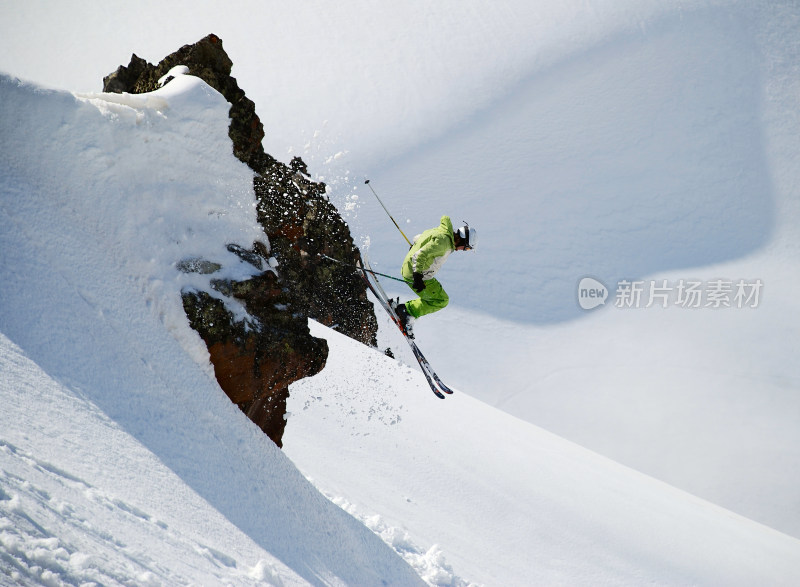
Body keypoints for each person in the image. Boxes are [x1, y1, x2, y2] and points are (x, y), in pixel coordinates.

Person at [390, 215, 477, 338]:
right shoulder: (444, 243)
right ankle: (406, 311)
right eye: (466, 248)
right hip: (415, 273)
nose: (463, 250)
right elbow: (420, 255)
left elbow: (420, 238)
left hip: (412, 268)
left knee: (438, 295)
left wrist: (417, 245)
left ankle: (407, 310)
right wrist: (417, 276)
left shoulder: (441, 232)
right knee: (441, 300)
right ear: (462, 240)